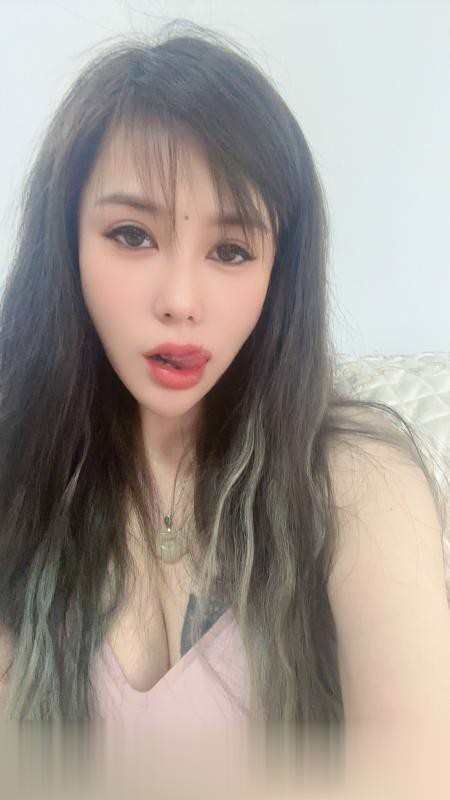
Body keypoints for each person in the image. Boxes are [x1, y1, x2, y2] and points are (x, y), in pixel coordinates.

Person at [0, 18, 448, 797]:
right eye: (132, 234)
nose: (180, 300)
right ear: (65, 243)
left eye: (232, 251)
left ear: (280, 272)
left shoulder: (357, 481)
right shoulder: (18, 480)